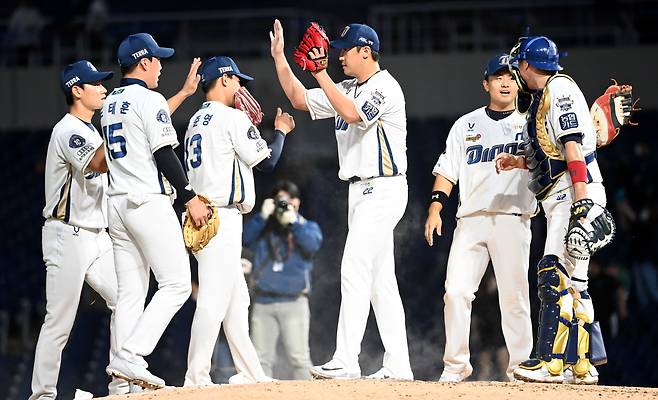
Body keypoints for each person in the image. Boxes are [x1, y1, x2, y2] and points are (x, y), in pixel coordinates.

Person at [270, 19, 413, 380]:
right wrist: (279, 58)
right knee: (381, 283)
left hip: (383, 188)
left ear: (366, 51)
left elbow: (353, 113)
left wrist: (321, 74)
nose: (339, 56)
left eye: (345, 50)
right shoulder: (345, 86)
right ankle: (399, 366)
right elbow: (298, 98)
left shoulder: (386, 86)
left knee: (353, 268)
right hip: (360, 192)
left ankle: (346, 360)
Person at [496, 35, 607, 384]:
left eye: (519, 64)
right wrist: (519, 161)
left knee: (552, 274)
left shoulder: (558, 91)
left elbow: (572, 149)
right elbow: (555, 154)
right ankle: (582, 365)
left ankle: (549, 361)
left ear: (528, 65)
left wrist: (582, 203)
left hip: (573, 193)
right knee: (576, 282)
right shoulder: (550, 93)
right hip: (572, 190)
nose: (515, 71)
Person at [101, 32, 209, 389]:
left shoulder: (111, 102)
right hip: (146, 200)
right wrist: (189, 194)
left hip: (116, 204)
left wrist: (181, 95)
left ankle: (121, 383)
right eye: (158, 59)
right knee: (177, 283)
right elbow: (164, 152)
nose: (161, 65)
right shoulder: (150, 100)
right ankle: (131, 356)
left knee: (130, 295)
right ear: (144, 61)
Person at [183, 56, 296, 386]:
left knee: (236, 301)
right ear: (223, 80)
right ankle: (196, 377)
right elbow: (268, 161)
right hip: (222, 217)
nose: (241, 87)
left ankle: (251, 373)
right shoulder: (231, 118)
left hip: (204, 214)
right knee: (213, 300)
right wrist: (281, 131)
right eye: (237, 80)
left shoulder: (195, 121)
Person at [424, 54, 536, 382]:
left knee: (514, 296)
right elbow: (447, 170)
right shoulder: (465, 124)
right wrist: (435, 208)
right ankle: (455, 366)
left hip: (512, 217)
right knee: (455, 292)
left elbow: (546, 165)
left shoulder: (530, 122)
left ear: (518, 83)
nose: (505, 82)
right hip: (470, 219)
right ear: (485, 84)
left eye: (510, 77)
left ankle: (519, 367)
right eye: (497, 77)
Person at [30, 60, 122, 400]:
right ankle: (42, 395)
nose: (102, 88)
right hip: (66, 235)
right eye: (95, 84)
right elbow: (99, 162)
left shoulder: (92, 131)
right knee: (59, 321)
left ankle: (122, 383)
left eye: (102, 83)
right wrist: (120, 124)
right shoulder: (67, 129)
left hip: (97, 236)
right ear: (76, 90)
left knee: (125, 300)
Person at [243, 180, 323, 380]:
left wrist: (293, 222)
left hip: (294, 302)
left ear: (297, 202)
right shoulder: (264, 228)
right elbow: (243, 239)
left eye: (287, 201)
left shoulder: (307, 226)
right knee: (261, 361)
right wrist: (262, 216)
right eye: (279, 201)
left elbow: (312, 245)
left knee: (299, 360)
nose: (282, 206)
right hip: (263, 303)